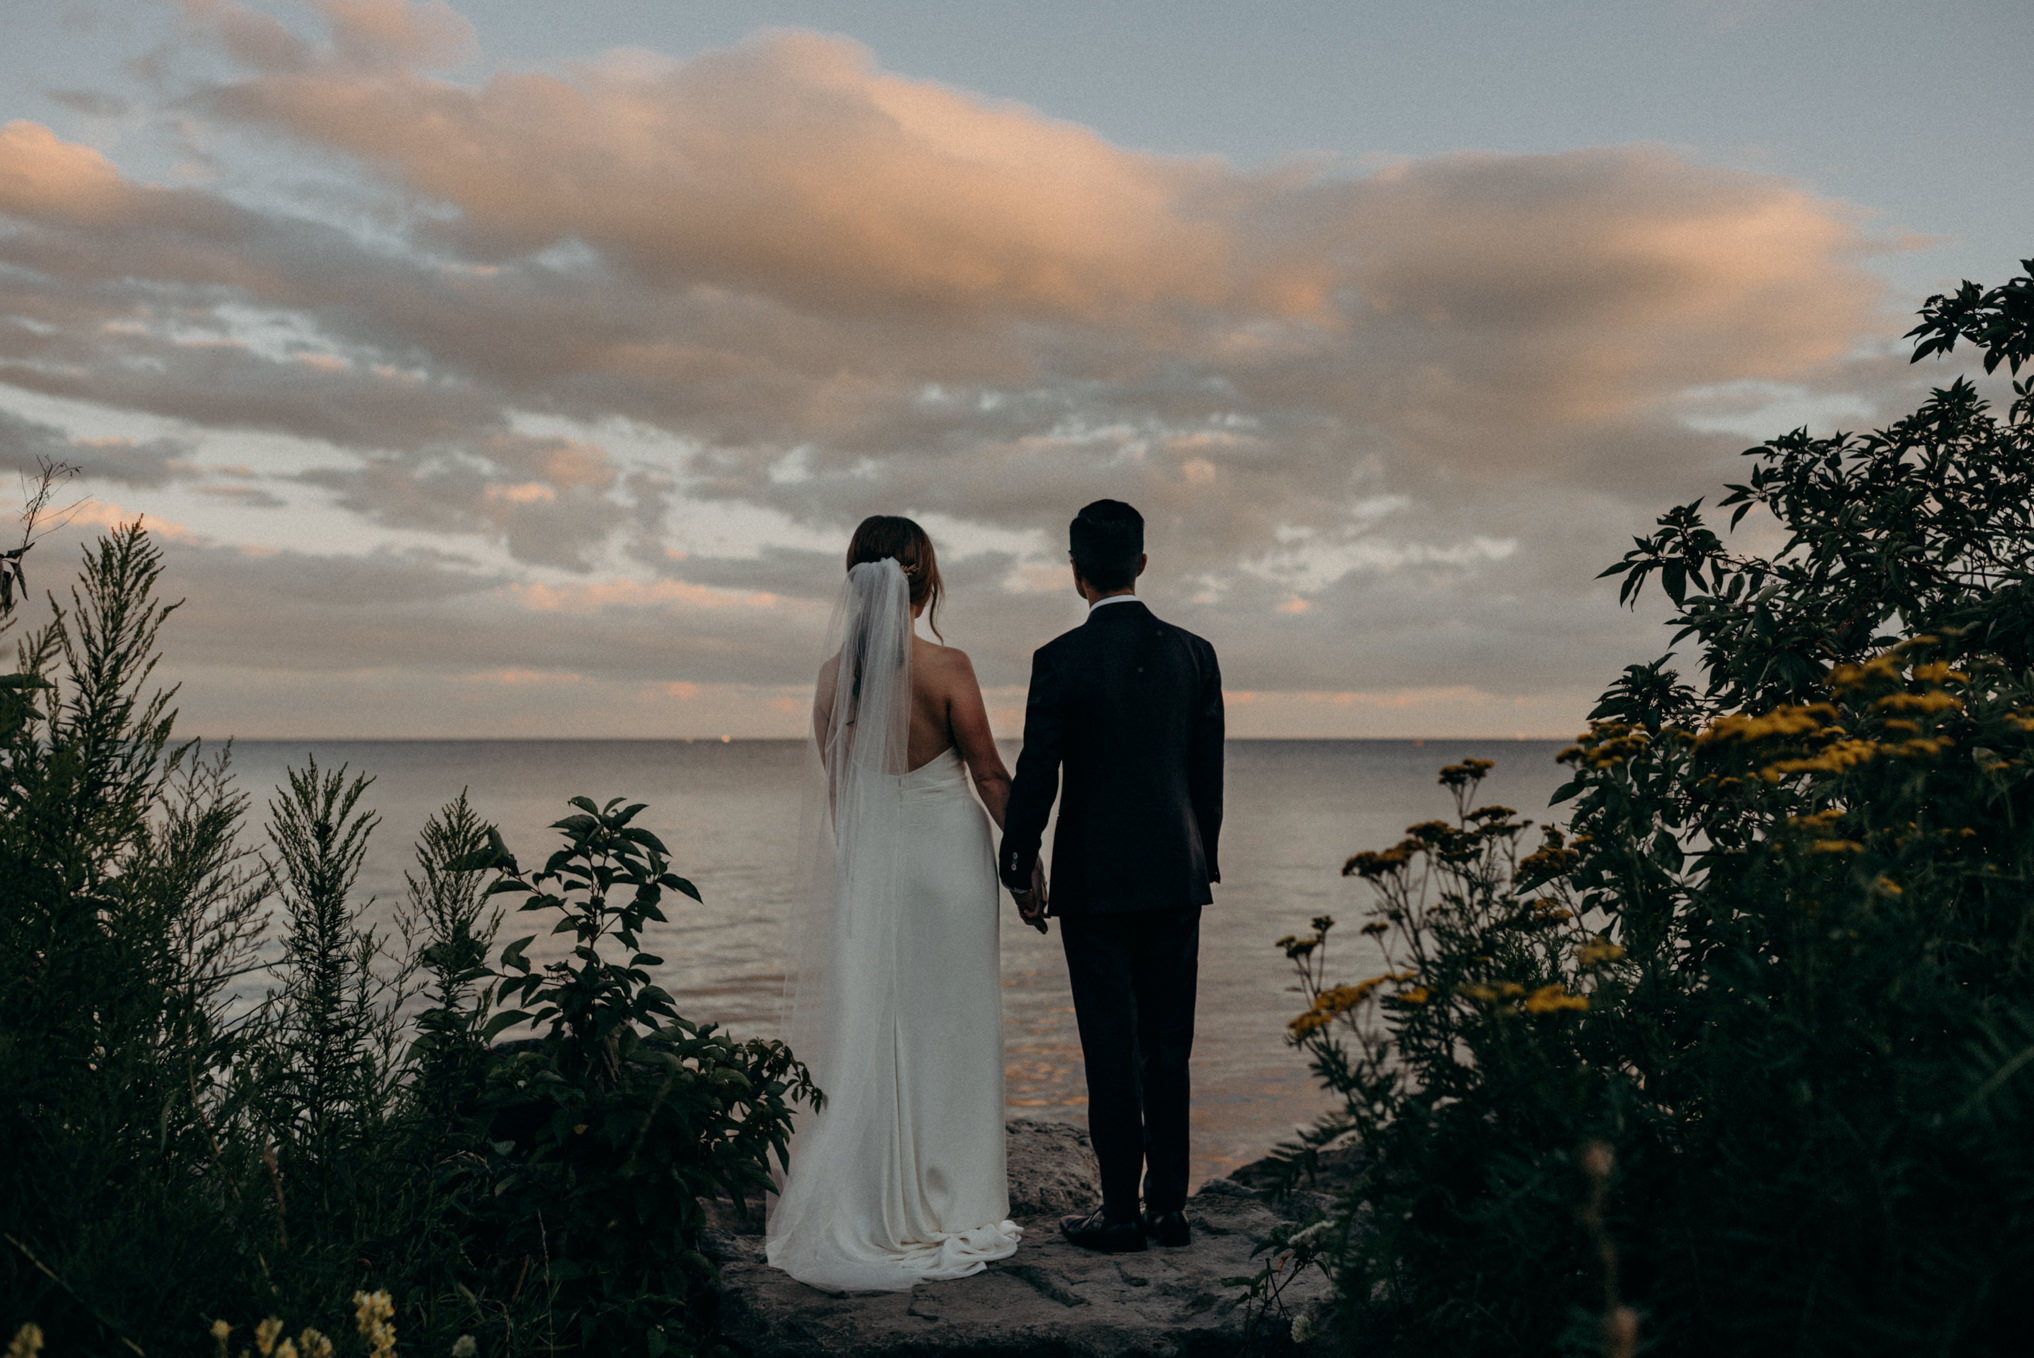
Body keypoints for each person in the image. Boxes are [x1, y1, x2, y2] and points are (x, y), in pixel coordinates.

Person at [765, 515, 1024, 1291]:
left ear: (856, 581)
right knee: (953, 1022)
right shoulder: (948, 668)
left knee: (881, 1026)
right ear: (926, 581)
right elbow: (988, 775)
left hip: (876, 869)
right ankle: (958, 1200)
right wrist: (1029, 859)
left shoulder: (829, 681)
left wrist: (863, 876)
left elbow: (844, 796)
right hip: (949, 871)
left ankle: (875, 1198)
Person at [999, 499, 1224, 1253]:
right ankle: (1170, 1209)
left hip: (1094, 883)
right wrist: (1204, 859)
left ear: (1075, 573)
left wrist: (1018, 858)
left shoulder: (1059, 659)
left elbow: (1038, 774)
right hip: (1176, 876)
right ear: (1142, 563)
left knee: (1108, 1046)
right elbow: (1206, 778)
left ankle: (1120, 1212)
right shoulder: (1195, 654)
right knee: (1168, 1045)